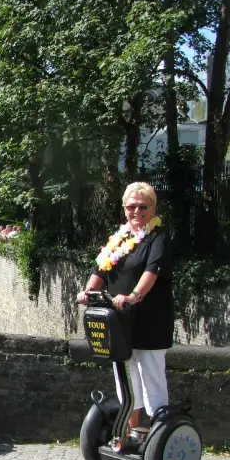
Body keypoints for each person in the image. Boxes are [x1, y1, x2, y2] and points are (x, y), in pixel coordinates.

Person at [77, 181, 174, 442]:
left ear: (153, 208)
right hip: (121, 320)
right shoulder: (119, 238)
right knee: (125, 371)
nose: (137, 211)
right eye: (132, 206)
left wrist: (134, 296)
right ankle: (132, 429)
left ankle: (158, 432)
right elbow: (100, 271)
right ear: (124, 209)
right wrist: (88, 293)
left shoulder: (157, 237)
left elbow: (151, 271)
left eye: (144, 206)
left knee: (149, 373)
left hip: (150, 319)